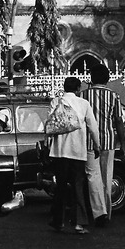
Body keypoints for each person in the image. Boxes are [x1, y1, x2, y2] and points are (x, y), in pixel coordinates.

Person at [48, 76, 100, 234]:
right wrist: (97, 146)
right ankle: (79, 223)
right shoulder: (83, 104)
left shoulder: (55, 102)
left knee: (60, 187)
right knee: (78, 187)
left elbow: (50, 124)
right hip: (78, 152)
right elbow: (93, 127)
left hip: (59, 152)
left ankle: (58, 222)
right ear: (78, 89)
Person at [82, 63, 125, 225]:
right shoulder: (114, 96)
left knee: (93, 178)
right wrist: (122, 144)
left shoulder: (83, 95)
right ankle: (106, 213)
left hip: (89, 142)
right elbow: (119, 121)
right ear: (107, 79)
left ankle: (98, 213)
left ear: (91, 78)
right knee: (107, 178)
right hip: (108, 141)